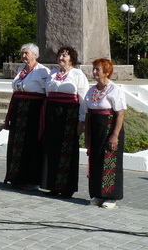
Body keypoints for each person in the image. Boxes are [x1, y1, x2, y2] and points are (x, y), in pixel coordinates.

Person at [41, 46, 89, 198]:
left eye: (65, 56)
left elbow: (83, 99)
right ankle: (52, 185)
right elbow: (47, 93)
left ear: (72, 58)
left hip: (69, 115)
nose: (62, 58)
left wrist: (82, 120)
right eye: (60, 55)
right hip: (53, 114)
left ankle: (66, 187)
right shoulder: (53, 73)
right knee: (52, 148)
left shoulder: (77, 74)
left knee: (67, 150)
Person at [80, 58, 126, 209]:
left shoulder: (114, 90)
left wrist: (115, 135)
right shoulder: (92, 90)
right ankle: (97, 194)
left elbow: (120, 114)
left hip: (109, 129)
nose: (94, 72)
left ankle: (110, 197)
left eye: (97, 69)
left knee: (109, 162)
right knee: (96, 161)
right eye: (93, 69)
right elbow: (87, 114)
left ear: (107, 72)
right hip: (95, 130)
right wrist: (87, 136)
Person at [3, 43, 50, 189]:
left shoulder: (43, 71)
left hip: (33, 112)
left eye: (27, 53)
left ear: (35, 55)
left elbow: (47, 92)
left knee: (31, 144)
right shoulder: (20, 70)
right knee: (17, 144)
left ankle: (31, 180)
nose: (24, 56)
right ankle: (16, 177)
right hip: (19, 111)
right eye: (22, 53)